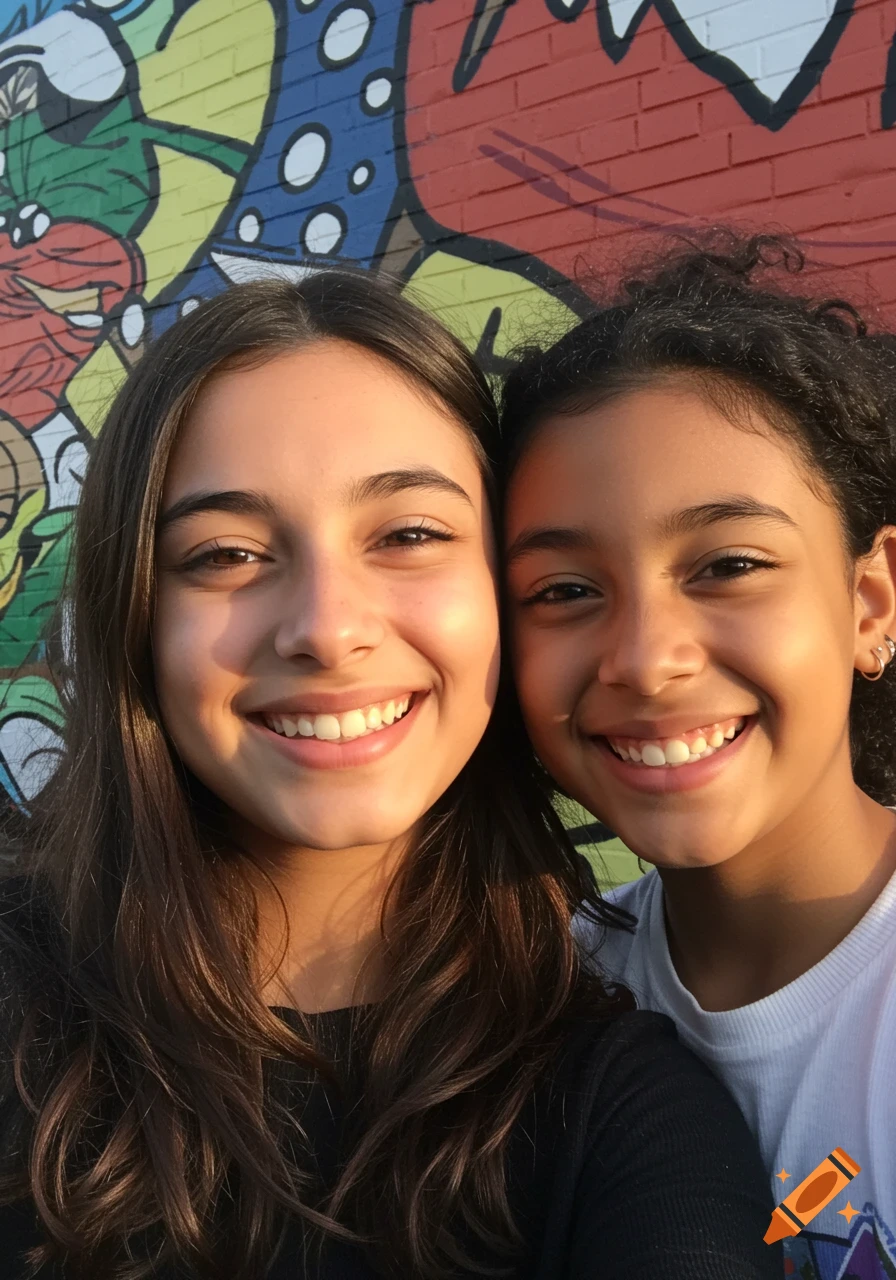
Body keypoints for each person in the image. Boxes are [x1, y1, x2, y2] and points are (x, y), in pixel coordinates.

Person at [0, 271, 776, 1279]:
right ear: (137, 613)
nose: (327, 629)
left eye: (409, 535)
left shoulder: (622, 1112)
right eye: (226, 554)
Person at [500, 233, 896, 1274]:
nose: (644, 660)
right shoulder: (542, 1013)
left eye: (727, 565)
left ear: (869, 603)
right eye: (564, 591)